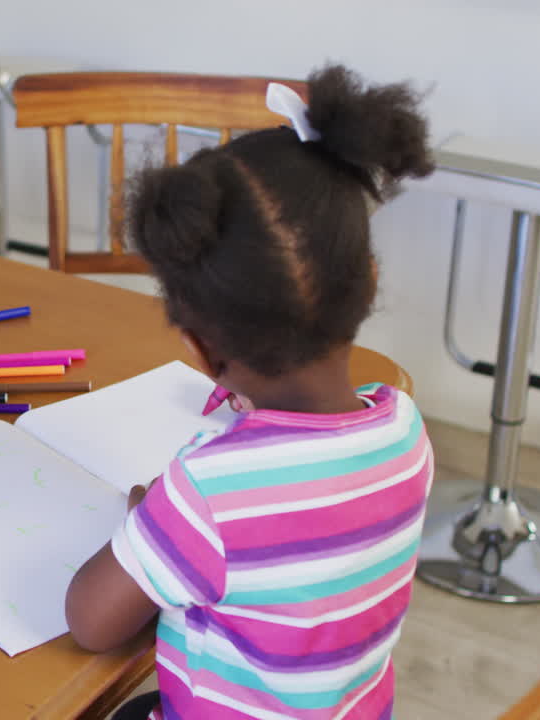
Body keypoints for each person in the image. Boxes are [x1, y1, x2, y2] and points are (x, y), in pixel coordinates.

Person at [65, 65, 437, 720]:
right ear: (369, 281)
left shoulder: (207, 495)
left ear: (200, 348)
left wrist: (149, 525)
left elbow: (90, 623)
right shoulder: (406, 428)